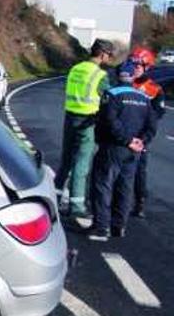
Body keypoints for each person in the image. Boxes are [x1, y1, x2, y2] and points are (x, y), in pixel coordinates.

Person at [88, 60, 156, 240]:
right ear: (133, 75)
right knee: (125, 188)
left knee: (102, 185)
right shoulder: (143, 98)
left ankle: (101, 227)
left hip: (113, 147)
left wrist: (126, 141)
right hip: (134, 151)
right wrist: (141, 141)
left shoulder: (111, 94)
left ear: (118, 75)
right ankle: (119, 226)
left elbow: (109, 121)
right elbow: (152, 125)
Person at [54, 38, 115, 219]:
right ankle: (77, 206)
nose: (109, 59)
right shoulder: (99, 75)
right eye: (109, 55)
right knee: (81, 163)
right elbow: (108, 99)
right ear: (103, 54)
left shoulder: (75, 69)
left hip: (70, 117)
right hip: (88, 121)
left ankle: (55, 199)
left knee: (66, 161)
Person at [127, 46, 166, 218]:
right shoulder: (123, 83)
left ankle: (140, 202)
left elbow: (157, 115)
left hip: (141, 136)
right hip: (121, 134)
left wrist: (144, 137)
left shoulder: (154, 89)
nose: (134, 69)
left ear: (146, 67)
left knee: (139, 171)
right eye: (132, 64)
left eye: (138, 66)